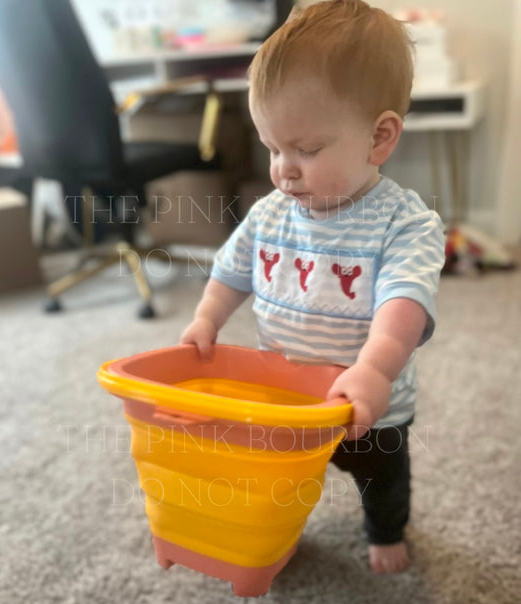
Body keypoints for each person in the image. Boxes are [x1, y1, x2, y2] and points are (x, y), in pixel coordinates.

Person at [180, 0, 445, 575]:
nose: (283, 170)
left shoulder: (406, 224)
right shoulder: (272, 211)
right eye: (273, 148)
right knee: (278, 481)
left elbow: (404, 303)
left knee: (382, 480)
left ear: (379, 137)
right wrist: (207, 318)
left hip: (366, 408)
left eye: (306, 149)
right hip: (285, 398)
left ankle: (385, 529)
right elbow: (232, 269)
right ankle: (280, 529)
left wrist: (373, 371)